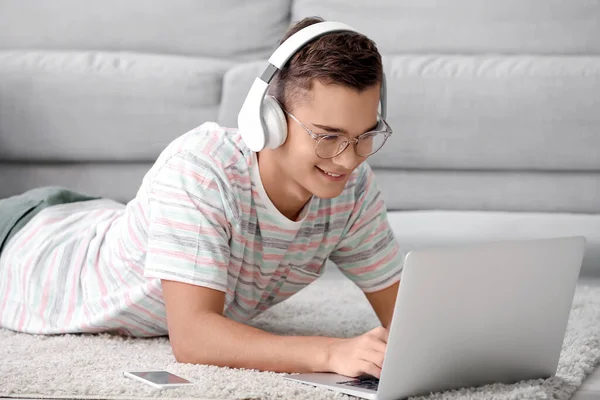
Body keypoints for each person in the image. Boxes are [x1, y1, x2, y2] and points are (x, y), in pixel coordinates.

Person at [0, 17, 404, 379]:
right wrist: (331, 351)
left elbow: (410, 317)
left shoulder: (353, 188)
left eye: (364, 136)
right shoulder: (201, 169)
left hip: (93, 216)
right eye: (327, 136)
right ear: (268, 120)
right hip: (29, 241)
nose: (348, 159)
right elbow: (193, 338)